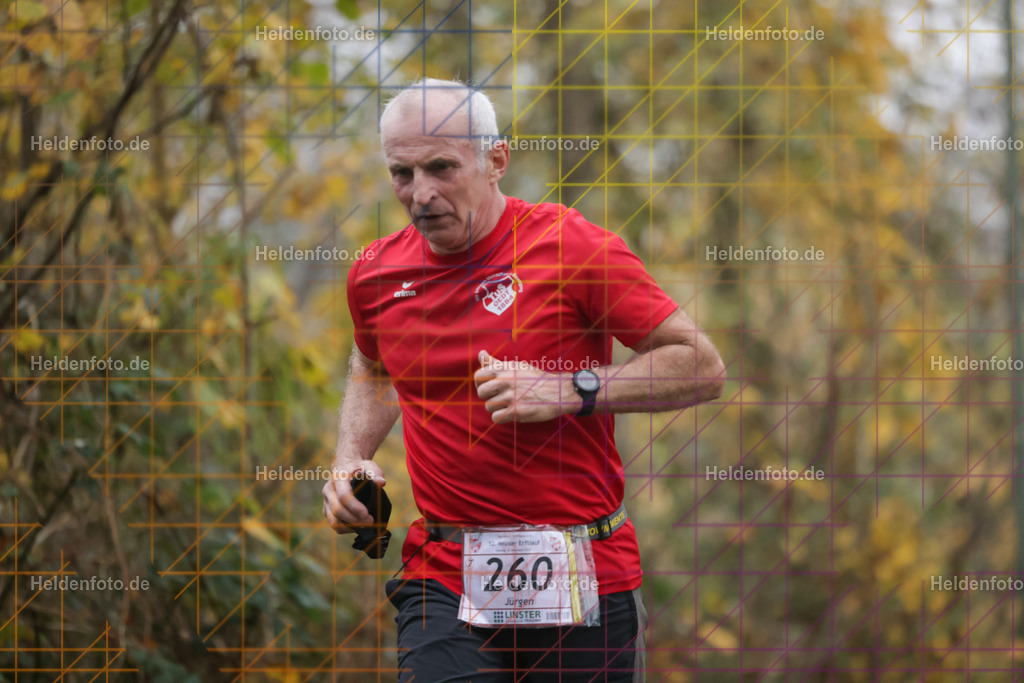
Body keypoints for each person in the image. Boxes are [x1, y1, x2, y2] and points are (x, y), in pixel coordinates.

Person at [322, 77, 725, 682]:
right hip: (445, 575)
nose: (421, 193)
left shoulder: (571, 247)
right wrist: (352, 457)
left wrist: (570, 391)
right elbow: (373, 364)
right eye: (402, 173)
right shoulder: (377, 273)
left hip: (584, 572)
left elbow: (700, 365)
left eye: (441, 167)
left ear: (495, 160)